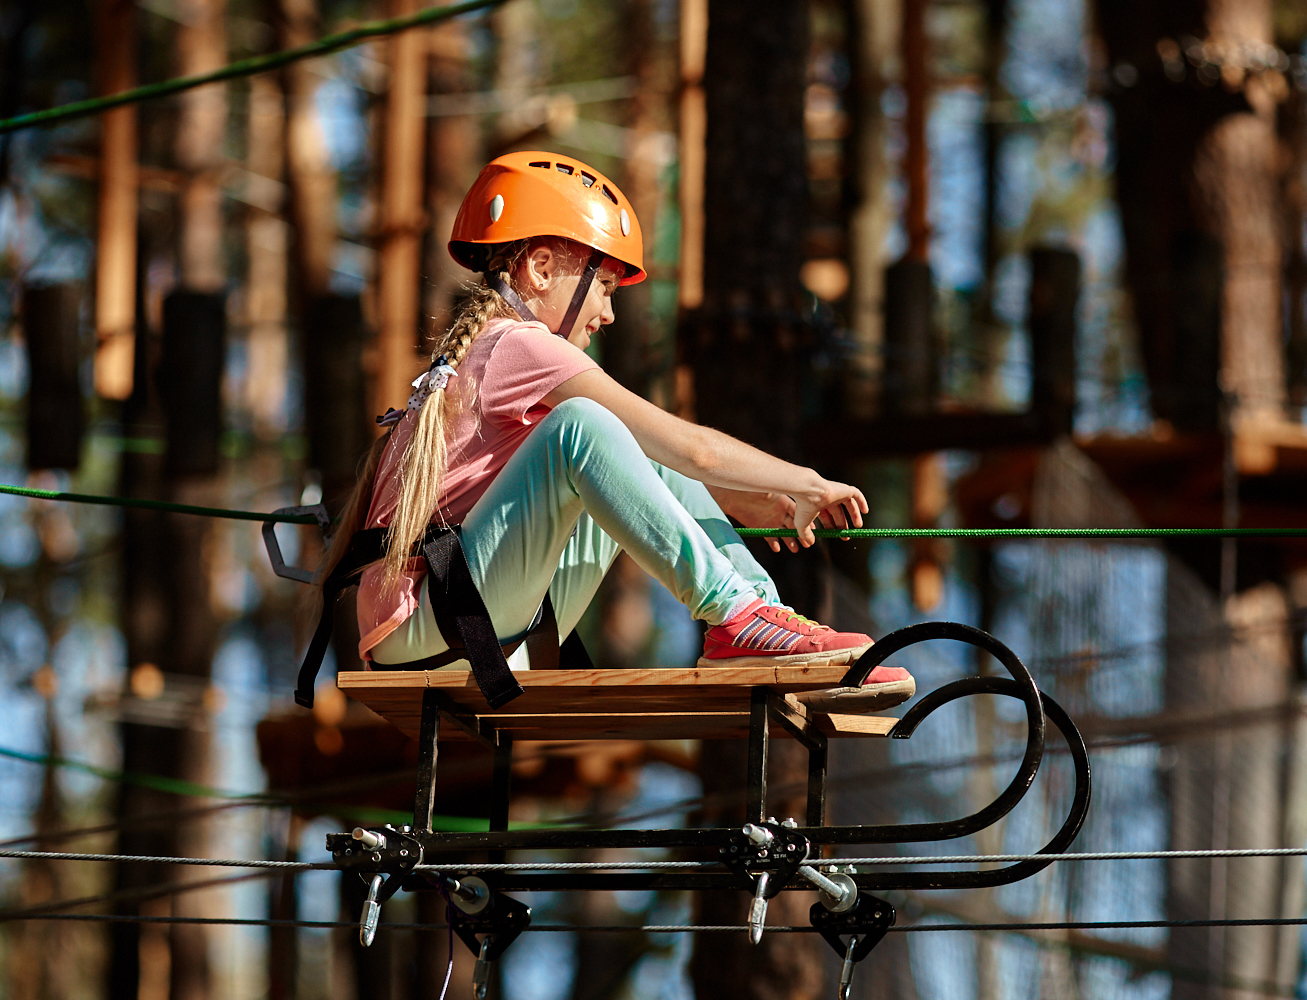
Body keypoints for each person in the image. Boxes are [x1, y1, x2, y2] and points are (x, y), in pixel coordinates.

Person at [326, 151, 913, 714]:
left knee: (618, 441)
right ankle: (741, 617)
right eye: (603, 285)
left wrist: (735, 496)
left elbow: (663, 461)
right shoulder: (517, 345)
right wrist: (806, 481)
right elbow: (693, 447)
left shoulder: (489, 353)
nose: (607, 314)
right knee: (587, 427)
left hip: (461, 623)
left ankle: (760, 617)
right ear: (540, 268)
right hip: (435, 630)